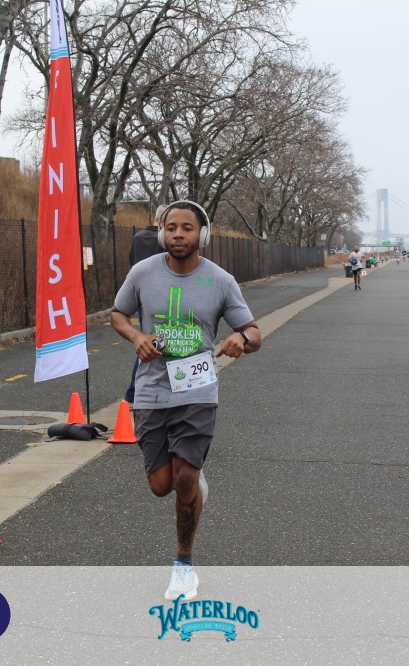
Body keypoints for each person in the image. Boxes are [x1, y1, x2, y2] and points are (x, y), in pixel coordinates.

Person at [111, 200, 261, 601]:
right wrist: (136, 336)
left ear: (202, 234)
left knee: (183, 480)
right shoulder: (143, 273)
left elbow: (254, 331)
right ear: (162, 233)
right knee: (161, 486)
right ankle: (191, 482)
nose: (178, 234)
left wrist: (240, 338)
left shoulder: (220, 280)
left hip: (197, 391)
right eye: (171, 227)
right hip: (151, 391)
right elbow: (118, 314)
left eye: (187, 228)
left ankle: (183, 564)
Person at [124, 204, 168, 404]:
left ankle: (136, 391)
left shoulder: (138, 238)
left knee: (149, 339)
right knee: (157, 343)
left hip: (142, 296)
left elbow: (132, 264)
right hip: (163, 298)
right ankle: (135, 392)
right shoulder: (164, 240)